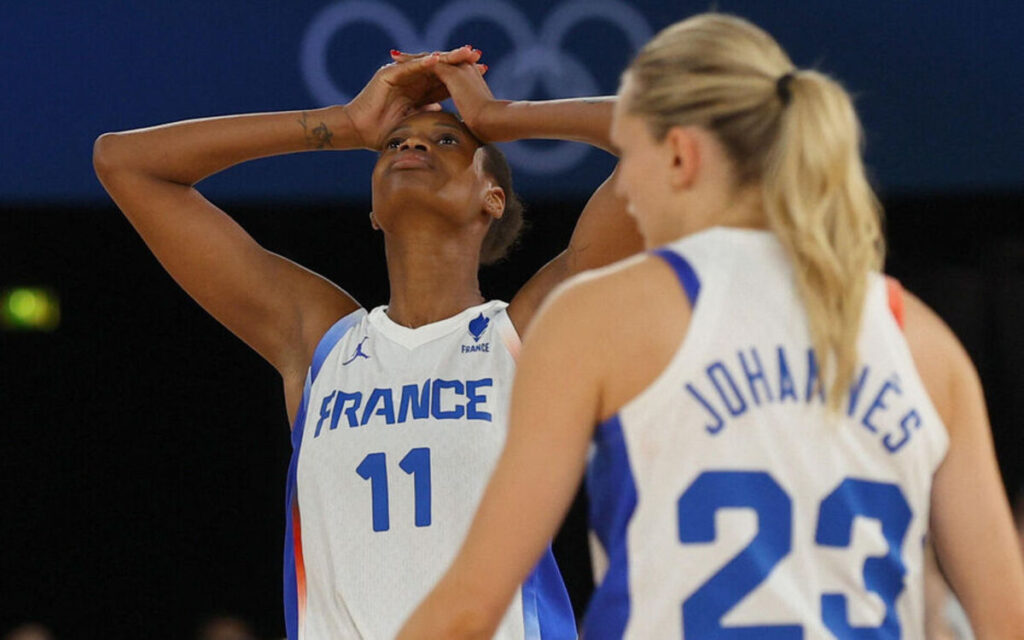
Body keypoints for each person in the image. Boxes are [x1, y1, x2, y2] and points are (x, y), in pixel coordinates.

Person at [399, 14, 1024, 639]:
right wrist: (502, 116)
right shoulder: (921, 338)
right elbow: (1007, 619)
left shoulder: (603, 317)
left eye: (633, 155)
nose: (629, 193)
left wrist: (501, 116)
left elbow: (466, 610)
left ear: (680, 153)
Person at [93, 47, 640, 639]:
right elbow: (125, 161)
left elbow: (673, 136)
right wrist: (346, 124)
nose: (410, 146)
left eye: (447, 141)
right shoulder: (320, 341)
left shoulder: (529, 333)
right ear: (373, 212)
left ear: (493, 198)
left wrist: (500, 116)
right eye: (393, 142)